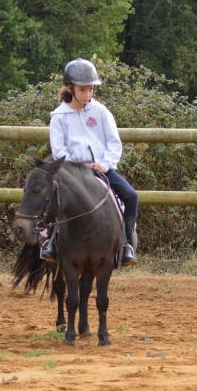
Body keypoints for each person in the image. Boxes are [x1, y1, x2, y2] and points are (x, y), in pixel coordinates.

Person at [43, 58, 138, 266]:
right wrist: (78, 166)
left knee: (131, 196)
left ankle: (126, 245)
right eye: (83, 89)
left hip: (101, 169)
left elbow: (114, 143)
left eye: (91, 89)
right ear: (70, 88)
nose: (87, 94)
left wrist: (104, 164)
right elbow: (59, 150)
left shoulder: (101, 112)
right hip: (71, 172)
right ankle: (49, 241)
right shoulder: (59, 116)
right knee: (51, 197)